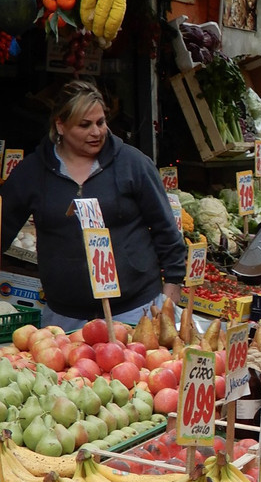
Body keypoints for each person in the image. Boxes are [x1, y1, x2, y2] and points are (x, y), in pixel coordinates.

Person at [0, 81, 185, 329]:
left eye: (101, 122)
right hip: (64, 316)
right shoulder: (33, 172)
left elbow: (166, 230)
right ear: (60, 126)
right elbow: (3, 227)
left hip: (134, 311)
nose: (97, 132)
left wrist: (170, 296)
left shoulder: (133, 164)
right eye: (85, 125)